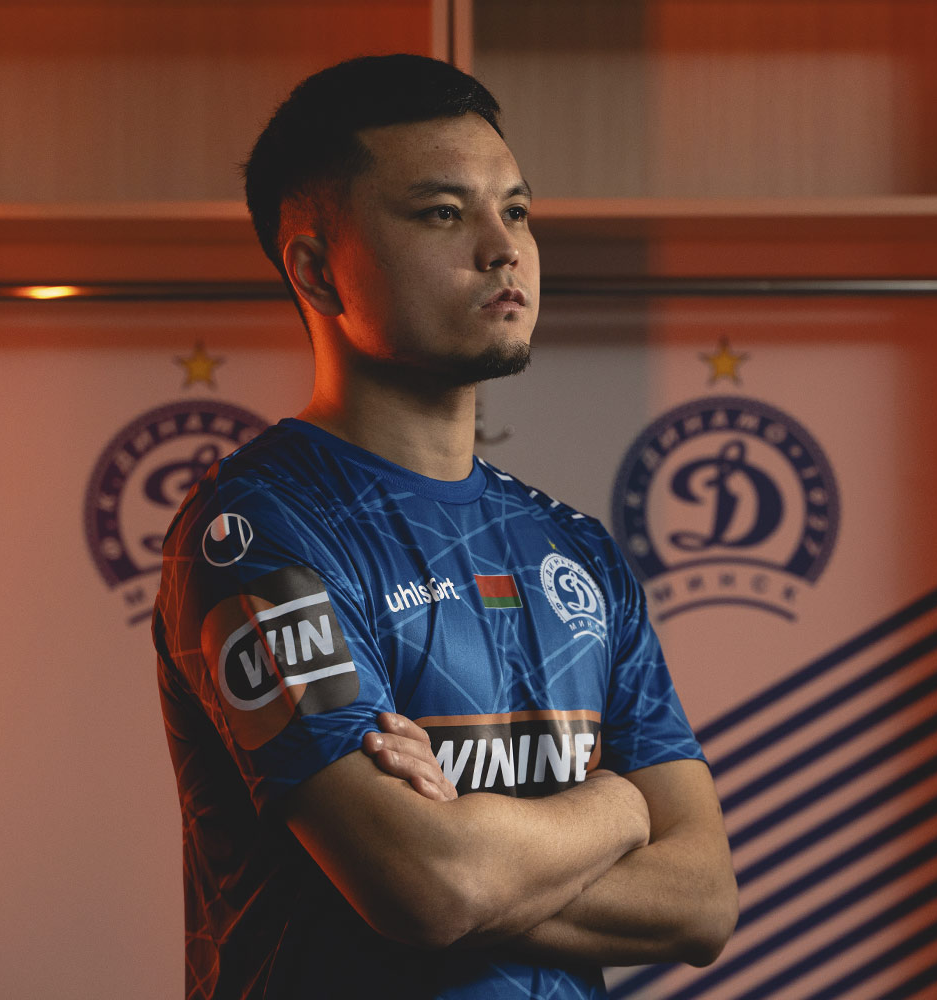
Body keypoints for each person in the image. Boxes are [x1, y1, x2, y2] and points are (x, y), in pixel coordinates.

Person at [153, 53, 738, 999]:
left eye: (517, 210)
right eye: (441, 213)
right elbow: (428, 888)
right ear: (316, 270)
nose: (503, 248)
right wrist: (621, 807)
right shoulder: (255, 530)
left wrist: (468, 840)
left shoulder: (575, 549)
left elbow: (703, 901)